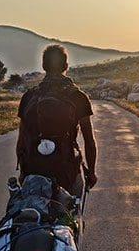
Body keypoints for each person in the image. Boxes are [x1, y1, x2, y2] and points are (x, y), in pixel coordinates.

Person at [17, 44, 97, 197]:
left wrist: (23, 172)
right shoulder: (78, 97)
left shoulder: (29, 97)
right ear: (66, 66)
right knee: (72, 212)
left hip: (32, 171)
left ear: (43, 66)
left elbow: (21, 142)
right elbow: (89, 141)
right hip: (66, 171)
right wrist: (91, 173)